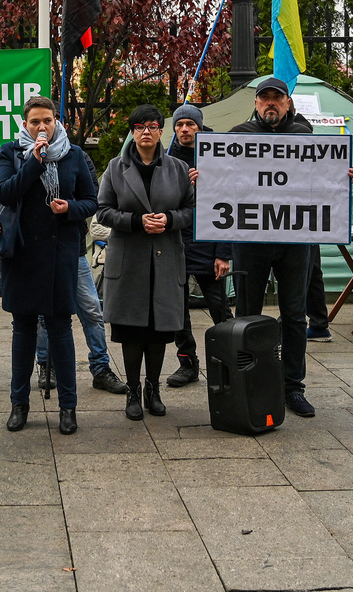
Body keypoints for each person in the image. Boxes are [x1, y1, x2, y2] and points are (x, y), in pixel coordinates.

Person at [0, 97, 99, 436]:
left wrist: (69, 208)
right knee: (23, 331)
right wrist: (34, 163)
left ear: (57, 122)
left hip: (60, 254)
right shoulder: (11, 152)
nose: (42, 127)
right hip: (23, 254)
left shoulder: (74, 154)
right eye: (35, 121)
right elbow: (5, 194)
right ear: (25, 124)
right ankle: (19, 404)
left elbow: (92, 201)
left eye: (48, 121)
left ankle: (68, 407)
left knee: (61, 329)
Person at [228, 76, 320, 418]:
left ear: (287, 103)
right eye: (264, 97)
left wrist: (339, 174)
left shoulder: (306, 137)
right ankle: (248, 382)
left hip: (295, 241)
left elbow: (320, 181)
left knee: (295, 315)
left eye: (276, 98)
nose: (270, 103)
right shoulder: (238, 136)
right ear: (255, 104)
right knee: (247, 314)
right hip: (250, 240)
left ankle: (292, 387)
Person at [96, 105, 192, 422]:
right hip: (130, 257)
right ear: (133, 132)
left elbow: (192, 211)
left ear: (161, 131)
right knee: (131, 331)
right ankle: (134, 391)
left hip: (165, 257)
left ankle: (154, 389)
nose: (146, 132)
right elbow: (103, 211)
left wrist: (170, 219)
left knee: (158, 330)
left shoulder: (177, 169)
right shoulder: (115, 167)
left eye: (152, 126)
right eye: (140, 126)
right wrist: (136, 221)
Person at [167, 102, 230, 386]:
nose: (184, 129)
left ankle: (231, 358)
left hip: (208, 244)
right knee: (177, 310)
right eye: (180, 125)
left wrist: (223, 254)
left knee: (219, 309)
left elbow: (227, 207)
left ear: (199, 127)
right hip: (176, 245)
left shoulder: (216, 156)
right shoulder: (165, 157)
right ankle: (187, 362)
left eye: (189, 124)